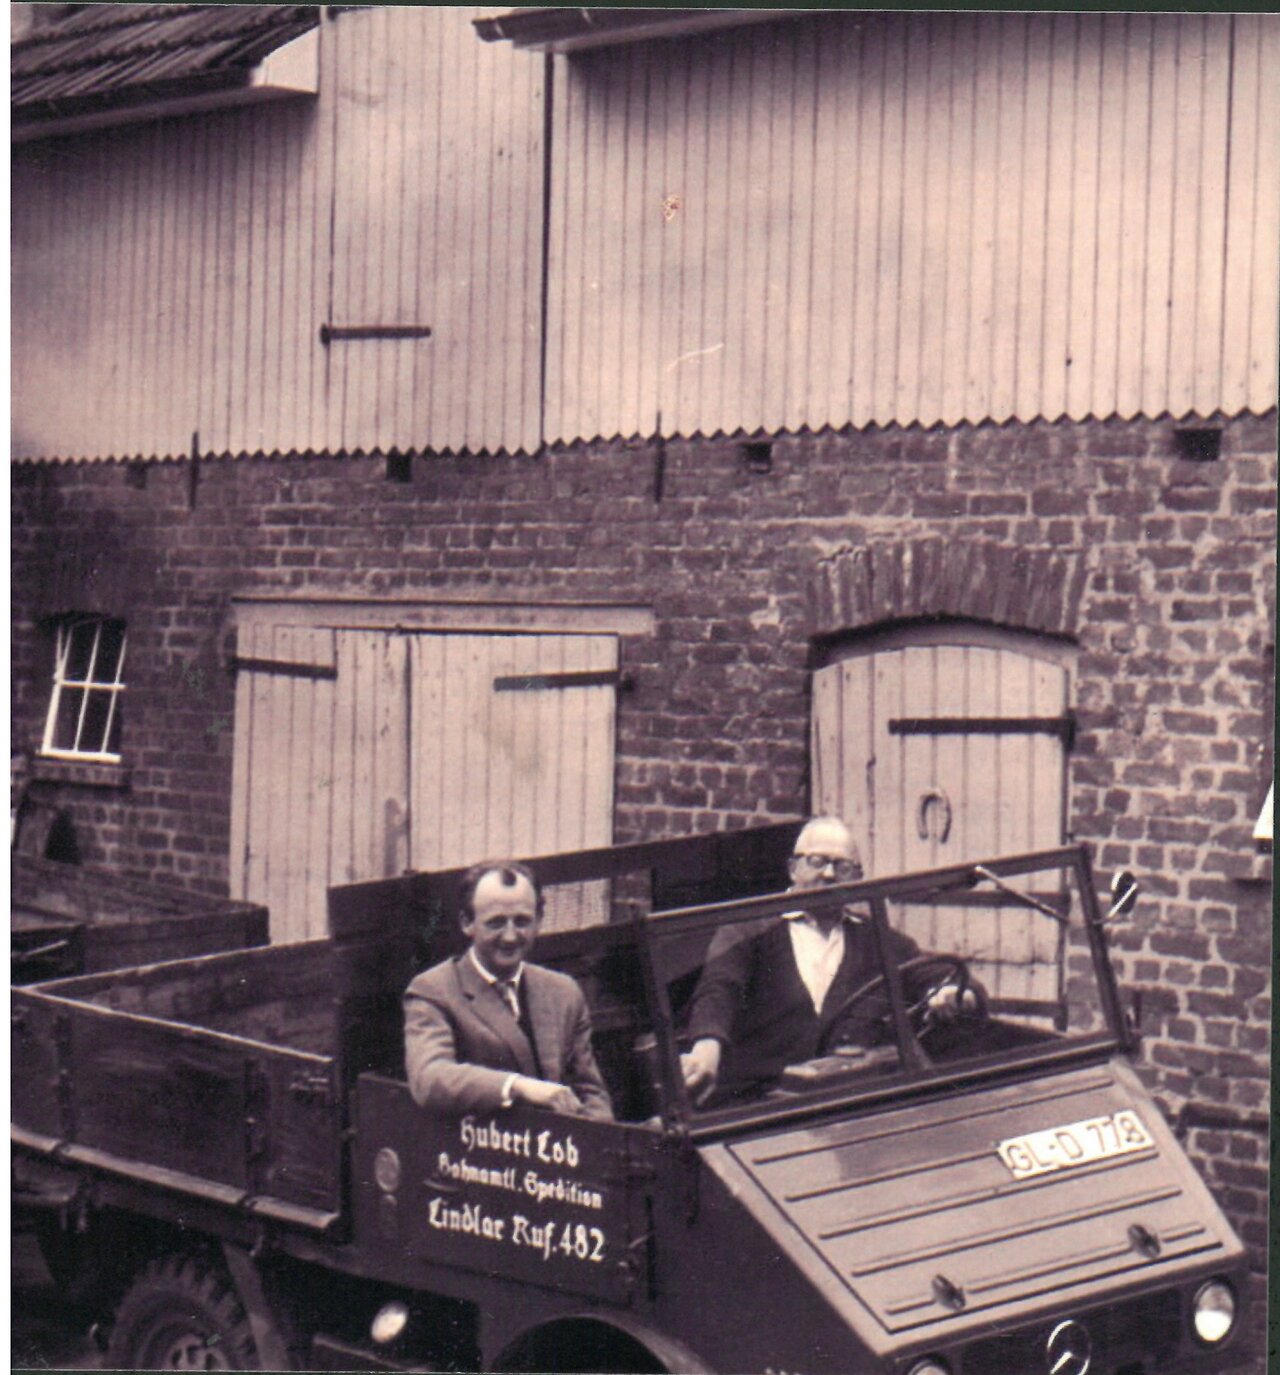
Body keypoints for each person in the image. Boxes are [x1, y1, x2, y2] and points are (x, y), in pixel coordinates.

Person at [680, 816, 975, 1105]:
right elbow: (719, 989)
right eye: (817, 862)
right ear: (793, 869)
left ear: (858, 878)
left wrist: (953, 993)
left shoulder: (880, 940)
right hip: (765, 1104)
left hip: (855, 1102)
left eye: (843, 866)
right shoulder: (748, 930)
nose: (830, 874)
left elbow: (940, 976)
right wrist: (707, 1045)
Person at [404, 860, 613, 1120]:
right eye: (496, 923)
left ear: (539, 922)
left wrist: (599, 1149)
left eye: (523, 921)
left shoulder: (564, 993)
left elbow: (590, 1093)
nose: (511, 936)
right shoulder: (434, 990)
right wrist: (518, 1086)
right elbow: (430, 1077)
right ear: (467, 923)